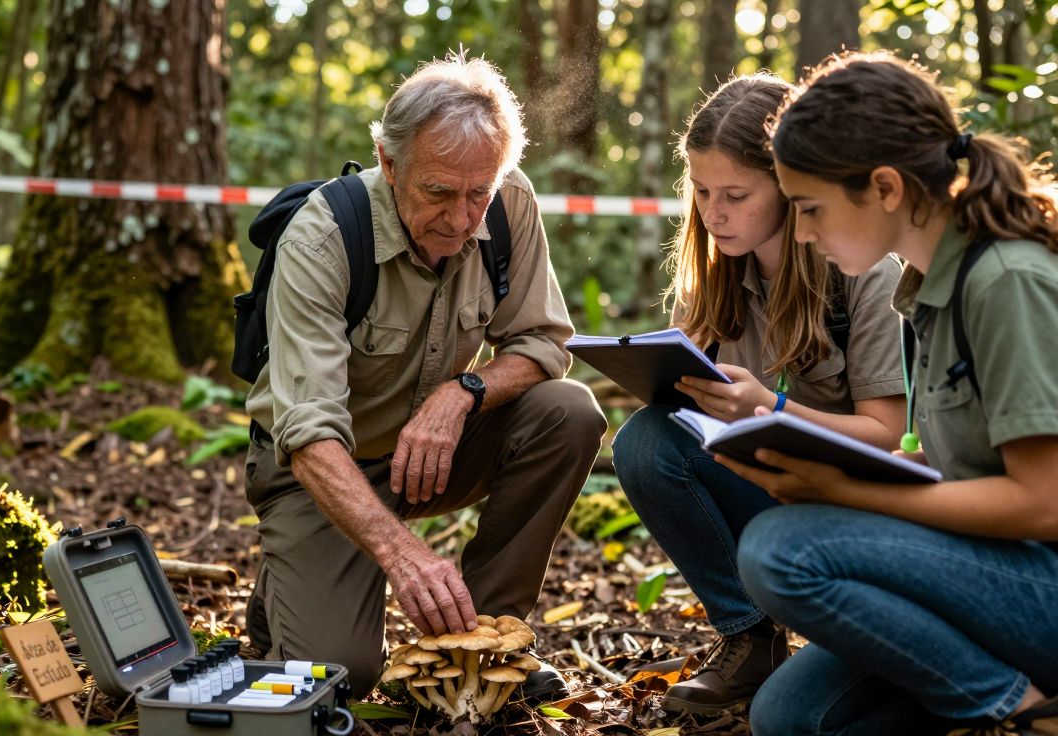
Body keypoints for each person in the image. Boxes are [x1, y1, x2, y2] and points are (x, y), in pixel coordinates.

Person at [242, 52, 607, 700]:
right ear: (389, 163)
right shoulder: (321, 239)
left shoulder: (508, 201)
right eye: (438, 192)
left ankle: (489, 639)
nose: (462, 219)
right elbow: (309, 433)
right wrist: (401, 553)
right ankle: (292, 577)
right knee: (340, 674)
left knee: (568, 413)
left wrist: (462, 393)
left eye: (478, 194)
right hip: (320, 472)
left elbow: (543, 342)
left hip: (427, 456)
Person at [718, 51, 1058, 735]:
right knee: (791, 717)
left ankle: (1018, 714)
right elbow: (975, 463)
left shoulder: (1006, 281)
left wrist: (847, 493)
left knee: (779, 548)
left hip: (1038, 583)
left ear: (885, 188)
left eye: (810, 208)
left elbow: (1044, 501)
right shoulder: (926, 290)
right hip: (995, 575)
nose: (802, 233)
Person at [610, 73, 908, 716]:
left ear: (789, 186)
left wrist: (771, 408)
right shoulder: (713, 272)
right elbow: (682, 429)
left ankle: (847, 630)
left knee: (805, 714)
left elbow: (886, 435)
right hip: (763, 485)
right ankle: (750, 637)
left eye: (736, 195)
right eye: (701, 191)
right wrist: (669, 376)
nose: (713, 212)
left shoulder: (866, 274)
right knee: (646, 441)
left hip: (849, 509)